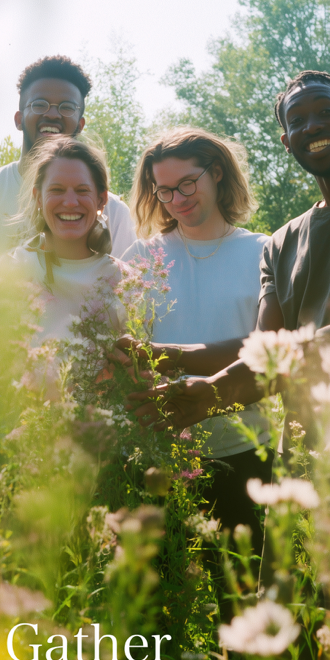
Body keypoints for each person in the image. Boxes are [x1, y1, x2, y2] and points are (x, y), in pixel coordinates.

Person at [127, 70, 330, 430]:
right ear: (286, 141)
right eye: (297, 120)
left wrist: (217, 386)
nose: (311, 126)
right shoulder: (282, 243)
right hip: (304, 459)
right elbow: (265, 351)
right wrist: (194, 383)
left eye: (326, 112)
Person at [122, 127, 271, 543]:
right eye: (164, 190)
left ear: (218, 172)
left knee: (237, 593)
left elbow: (270, 350)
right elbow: (125, 350)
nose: (178, 199)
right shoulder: (141, 257)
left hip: (244, 452)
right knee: (157, 595)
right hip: (159, 452)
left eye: (188, 183)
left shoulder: (264, 251)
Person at [0, 55, 136, 260]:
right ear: (19, 120)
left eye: (66, 107)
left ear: (80, 125)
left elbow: (125, 288)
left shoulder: (114, 212)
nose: (53, 114)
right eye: (39, 104)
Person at [9, 135, 127, 343]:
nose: (71, 202)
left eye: (82, 191)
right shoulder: (11, 273)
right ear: (38, 197)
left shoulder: (124, 283)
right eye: (57, 190)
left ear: (101, 200)